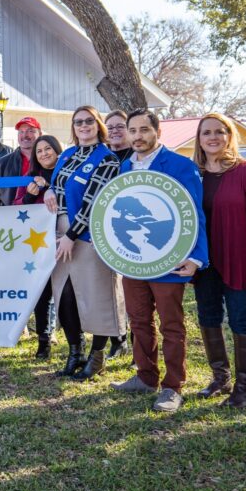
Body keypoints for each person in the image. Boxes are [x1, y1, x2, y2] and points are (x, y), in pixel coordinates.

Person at [109, 109, 208, 413]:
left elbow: (195, 214)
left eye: (144, 130)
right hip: (134, 260)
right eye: (132, 130)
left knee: (172, 325)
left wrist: (196, 258)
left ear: (156, 131)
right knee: (138, 321)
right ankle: (145, 376)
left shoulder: (179, 166)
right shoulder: (125, 167)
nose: (137, 136)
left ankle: (172, 386)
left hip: (170, 257)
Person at [191, 112, 246, 408]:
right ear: (199, 140)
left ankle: (245, 389)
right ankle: (220, 377)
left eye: (219, 131)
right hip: (205, 261)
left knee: (242, 319)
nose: (213, 137)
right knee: (208, 316)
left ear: (230, 136)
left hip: (240, 258)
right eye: (206, 132)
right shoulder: (194, 175)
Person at [43, 106, 126, 382]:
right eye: (78, 122)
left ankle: (97, 356)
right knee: (65, 295)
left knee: (96, 295)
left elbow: (95, 202)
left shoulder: (107, 158)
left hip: (88, 235)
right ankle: (74, 352)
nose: (84, 126)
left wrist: (71, 236)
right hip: (60, 230)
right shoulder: (67, 155)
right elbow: (57, 184)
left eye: (89, 121)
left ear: (98, 124)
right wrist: (48, 190)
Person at [20, 134, 63, 360]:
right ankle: (43, 341)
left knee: (66, 292)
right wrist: (30, 194)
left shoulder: (65, 175)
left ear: (57, 150)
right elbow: (19, 208)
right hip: (38, 243)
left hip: (65, 239)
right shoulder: (31, 178)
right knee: (42, 293)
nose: (45, 153)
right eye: (39, 151)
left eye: (48, 148)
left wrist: (52, 189)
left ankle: (76, 343)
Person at [104, 109, 134, 361]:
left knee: (134, 291)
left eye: (119, 126)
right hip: (104, 231)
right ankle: (117, 339)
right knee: (109, 289)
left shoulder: (137, 157)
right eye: (110, 126)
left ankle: (140, 345)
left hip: (132, 232)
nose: (114, 130)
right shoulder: (101, 157)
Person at [0, 116, 42, 206]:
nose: (25, 135)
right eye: (21, 131)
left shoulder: (47, 161)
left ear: (40, 134)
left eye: (30, 131)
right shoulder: (3, 163)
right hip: (10, 216)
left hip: (44, 216)